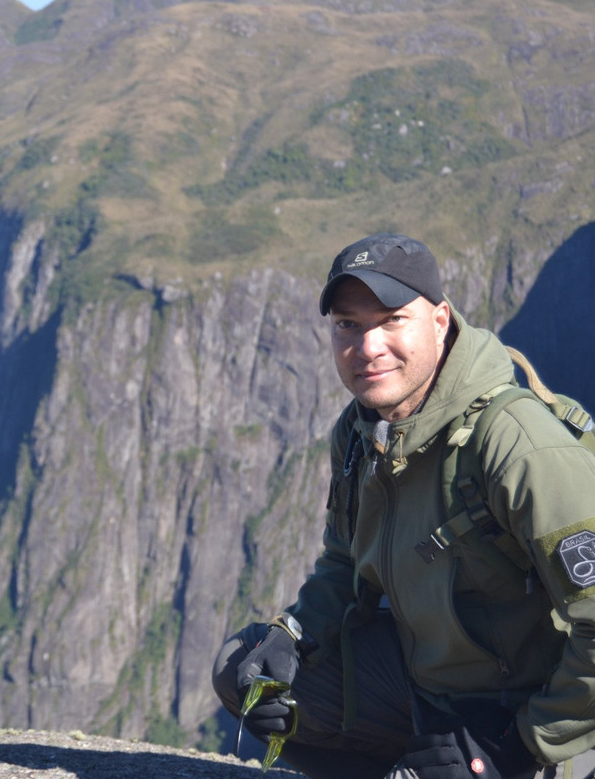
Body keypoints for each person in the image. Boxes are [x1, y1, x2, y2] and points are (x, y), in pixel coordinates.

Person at [212, 233, 595, 779]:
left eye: (392, 319)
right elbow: (345, 562)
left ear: (439, 320)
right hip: (423, 684)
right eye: (349, 324)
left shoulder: (517, 444)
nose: (368, 346)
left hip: (527, 713)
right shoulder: (360, 432)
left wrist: (523, 744)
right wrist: (293, 636)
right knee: (241, 666)